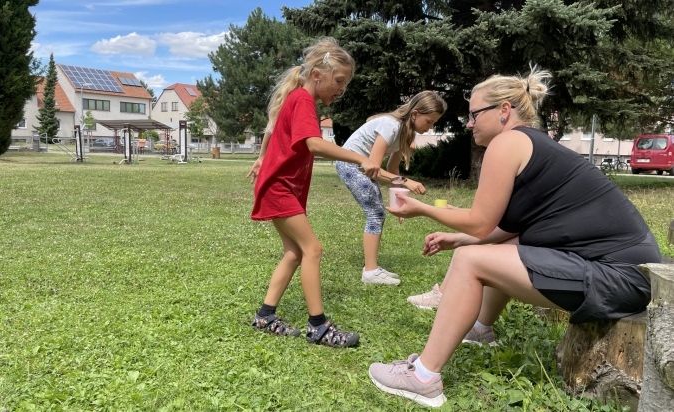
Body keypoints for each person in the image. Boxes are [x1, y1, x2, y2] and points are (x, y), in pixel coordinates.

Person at [368, 66, 661, 407]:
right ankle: (479, 328)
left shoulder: (508, 143)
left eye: (475, 114)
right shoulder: (531, 144)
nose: (469, 123)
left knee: (471, 262)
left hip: (620, 278)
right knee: (490, 248)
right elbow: (510, 229)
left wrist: (422, 209)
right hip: (626, 273)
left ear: (504, 111)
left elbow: (479, 222)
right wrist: (457, 238)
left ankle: (422, 377)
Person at [245, 37, 380, 348]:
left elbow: (284, 136)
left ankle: (265, 317)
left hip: (280, 188)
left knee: (295, 252)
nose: (341, 89)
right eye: (339, 81)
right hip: (279, 188)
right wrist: (360, 157)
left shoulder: (299, 99)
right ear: (318, 74)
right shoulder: (303, 100)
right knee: (312, 249)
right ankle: (318, 327)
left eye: (345, 84)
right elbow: (314, 144)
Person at [336, 91, 447, 286]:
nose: (431, 127)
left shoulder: (406, 132)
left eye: (434, 123)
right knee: (375, 214)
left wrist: (398, 202)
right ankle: (370, 272)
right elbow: (373, 170)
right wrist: (407, 181)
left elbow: (391, 169)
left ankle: (372, 269)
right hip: (350, 164)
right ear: (415, 114)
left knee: (376, 213)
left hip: (360, 166)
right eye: (429, 121)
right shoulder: (391, 125)